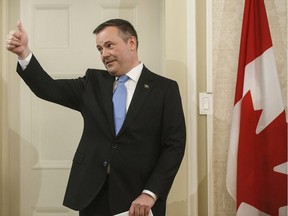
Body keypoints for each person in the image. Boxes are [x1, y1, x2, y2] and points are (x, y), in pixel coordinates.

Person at [6, 19, 186, 216]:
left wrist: (150, 193)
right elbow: (47, 88)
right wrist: (24, 53)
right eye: (100, 49)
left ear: (131, 43)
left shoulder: (164, 89)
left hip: (137, 198)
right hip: (93, 195)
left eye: (109, 46)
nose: (104, 54)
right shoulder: (92, 83)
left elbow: (174, 146)